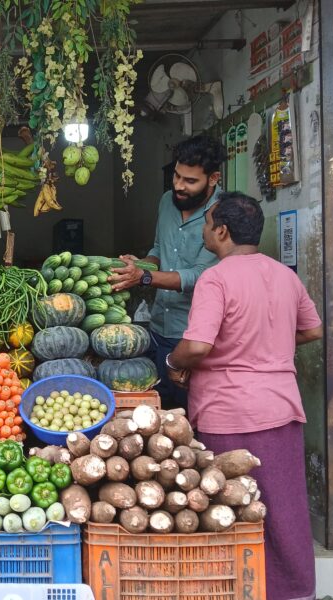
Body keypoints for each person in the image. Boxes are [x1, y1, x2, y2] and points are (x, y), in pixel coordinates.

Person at [166, 192, 322, 600]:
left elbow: (197, 346)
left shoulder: (215, 278)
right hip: (282, 409)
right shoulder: (284, 275)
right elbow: (312, 329)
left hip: (228, 412)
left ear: (221, 232)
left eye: (207, 222)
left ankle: (234, 591)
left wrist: (172, 360)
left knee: (227, 513)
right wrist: (267, 347)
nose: (203, 229)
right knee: (284, 510)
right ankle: (294, 591)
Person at [108, 135, 226, 410]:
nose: (179, 186)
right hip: (158, 326)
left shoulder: (222, 214)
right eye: (176, 176)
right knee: (157, 414)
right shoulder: (166, 202)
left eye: (190, 181)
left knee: (191, 420)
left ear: (213, 178)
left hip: (194, 339)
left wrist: (144, 277)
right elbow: (159, 249)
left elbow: (200, 275)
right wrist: (140, 265)